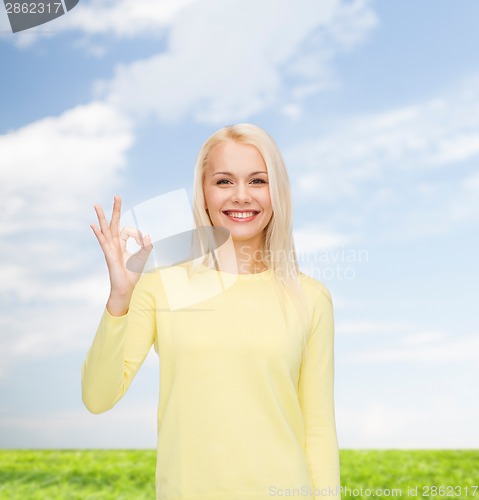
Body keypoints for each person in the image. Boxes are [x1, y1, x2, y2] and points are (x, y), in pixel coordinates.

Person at [82, 123, 341, 499]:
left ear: (277, 193)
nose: (241, 196)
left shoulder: (311, 297)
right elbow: (97, 397)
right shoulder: (161, 285)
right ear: (203, 192)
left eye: (257, 181)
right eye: (223, 181)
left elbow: (318, 428)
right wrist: (119, 298)